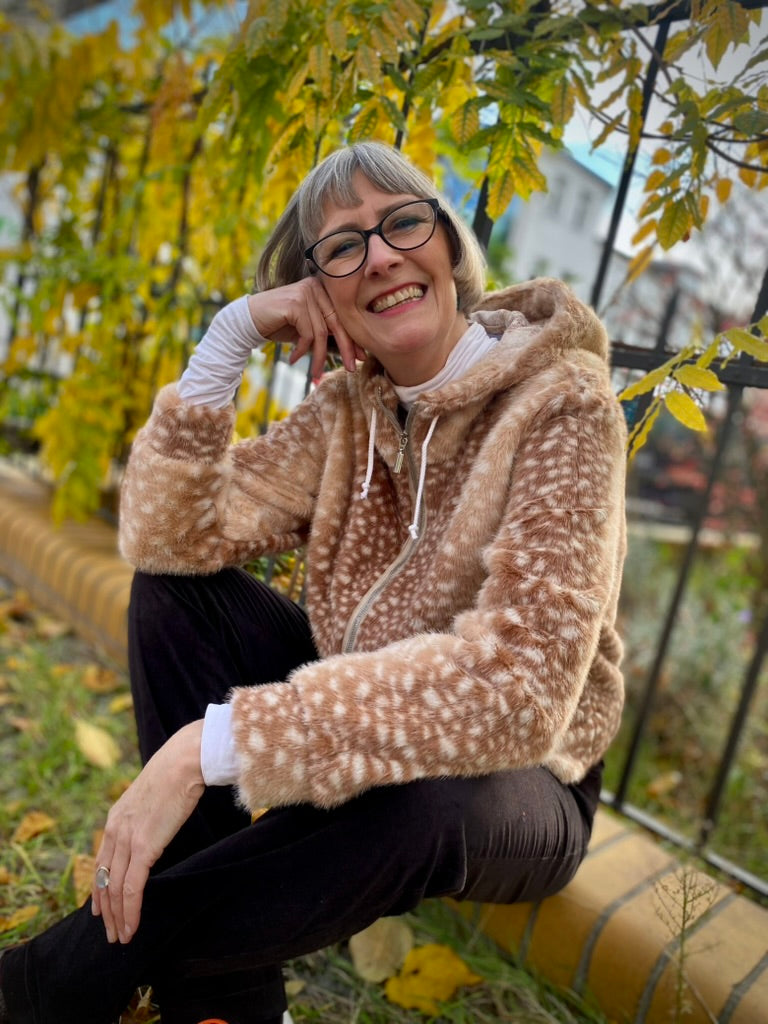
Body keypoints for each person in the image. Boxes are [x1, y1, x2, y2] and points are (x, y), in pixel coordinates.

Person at [0, 141, 627, 1024]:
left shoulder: (565, 403)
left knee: (421, 795)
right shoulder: (347, 411)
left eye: (403, 223)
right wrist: (232, 333)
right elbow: (168, 539)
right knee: (177, 599)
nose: (381, 257)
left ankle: (58, 978)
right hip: (359, 714)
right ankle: (230, 1006)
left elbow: (521, 690)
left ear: (449, 245)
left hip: (522, 779)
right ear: (319, 293)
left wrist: (212, 747)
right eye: (342, 246)